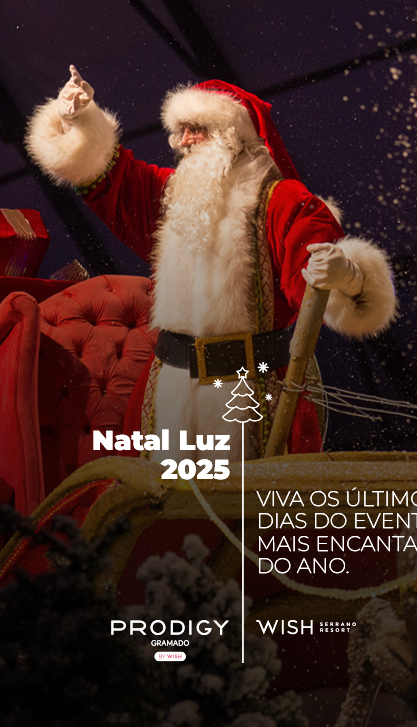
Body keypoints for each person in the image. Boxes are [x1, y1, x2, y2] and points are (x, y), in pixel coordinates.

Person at [25, 66, 396, 462]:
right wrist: (80, 120)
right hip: (169, 387)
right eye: (179, 130)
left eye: (195, 129)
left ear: (232, 133)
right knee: (163, 499)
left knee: (238, 500)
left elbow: (322, 278)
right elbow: (110, 177)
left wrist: (349, 276)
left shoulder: (283, 201)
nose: (183, 141)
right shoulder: (172, 194)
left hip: (247, 394)